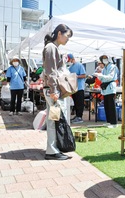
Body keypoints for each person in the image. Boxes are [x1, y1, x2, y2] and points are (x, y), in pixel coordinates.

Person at [42, 24, 73, 160]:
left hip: (52, 90)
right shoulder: (51, 48)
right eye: (67, 36)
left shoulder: (53, 48)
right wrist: (54, 90)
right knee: (54, 119)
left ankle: (53, 148)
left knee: (53, 119)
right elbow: (51, 72)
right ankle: (52, 150)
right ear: (59, 33)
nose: (68, 39)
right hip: (52, 90)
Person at [93, 54, 119, 127]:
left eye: (105, 58)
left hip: (110, 87)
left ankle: (114, 123)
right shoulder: (104, 68)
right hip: (105, 88)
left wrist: (100, 76)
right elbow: (103, 79)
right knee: (106, 106)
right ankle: (109, 121)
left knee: (111, 106)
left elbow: (110, 77)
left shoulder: (113, 67)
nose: (104, 60)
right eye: (103, 59)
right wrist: (98, 76)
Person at [66, 53, 86, 124]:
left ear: (72, 59)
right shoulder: (70, 68)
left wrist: (76, 76)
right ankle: (77, 115)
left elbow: (84, 75)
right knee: (76, 102)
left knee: (80, 102)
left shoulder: (79, 65)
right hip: (74, 88)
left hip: (80, 87)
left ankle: (79, 116)